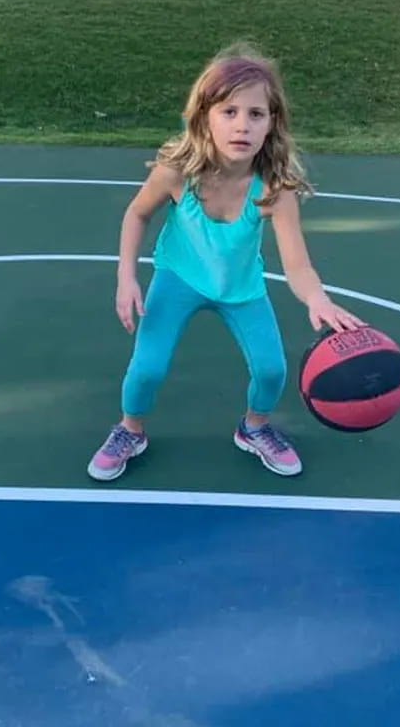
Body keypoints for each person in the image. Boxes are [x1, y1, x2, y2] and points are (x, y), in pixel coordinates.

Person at [87, 42, 365, 482]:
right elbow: (137, 213)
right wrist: (126, 277)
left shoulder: (274, 188)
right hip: (178, 278)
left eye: (256, 114)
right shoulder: (178, 172)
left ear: (272, 124)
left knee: (272, 368)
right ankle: (130, 430)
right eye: (229, 112)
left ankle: (253, 428)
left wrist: (319, 300)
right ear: (204, 117)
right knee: (146, 368)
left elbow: (297, 265)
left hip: (241, 289)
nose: (242, 125)